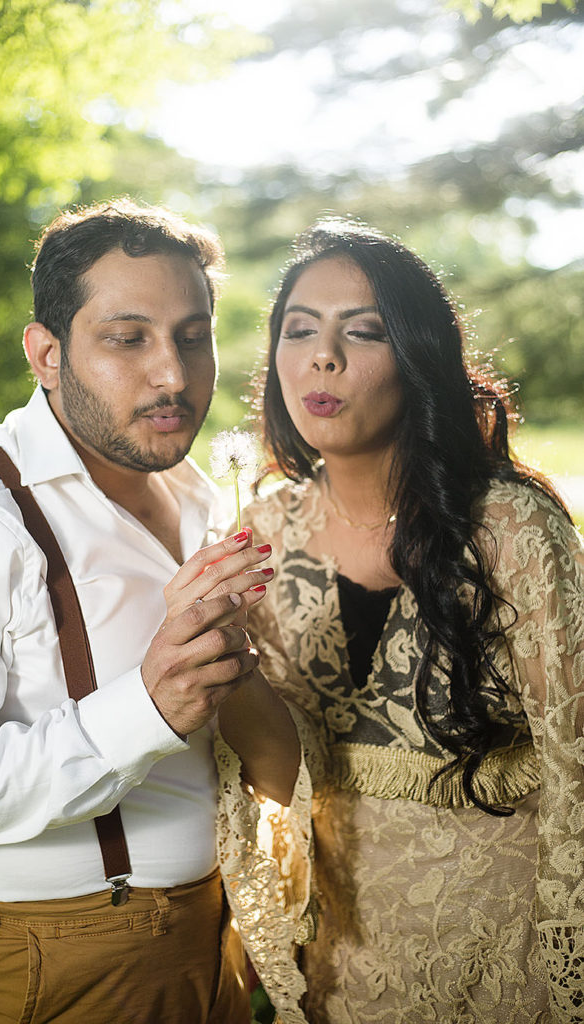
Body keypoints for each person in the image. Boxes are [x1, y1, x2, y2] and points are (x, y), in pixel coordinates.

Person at [0, 197, 294, 1024]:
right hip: (50, 959)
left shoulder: (200, 498)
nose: (174, 376)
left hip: (216, 938)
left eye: (194, 336)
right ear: (46, 354)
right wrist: (145, 710)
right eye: (128, 339)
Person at [215, 218, 584, 1024]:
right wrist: (226, 668)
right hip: (345, 966)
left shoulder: (511, 530)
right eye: (299, 329)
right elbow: (280, 775)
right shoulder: (262, 537)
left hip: (506, 961)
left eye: (364, 331)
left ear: (417, 358)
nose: (323, 357)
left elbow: (577, 768)